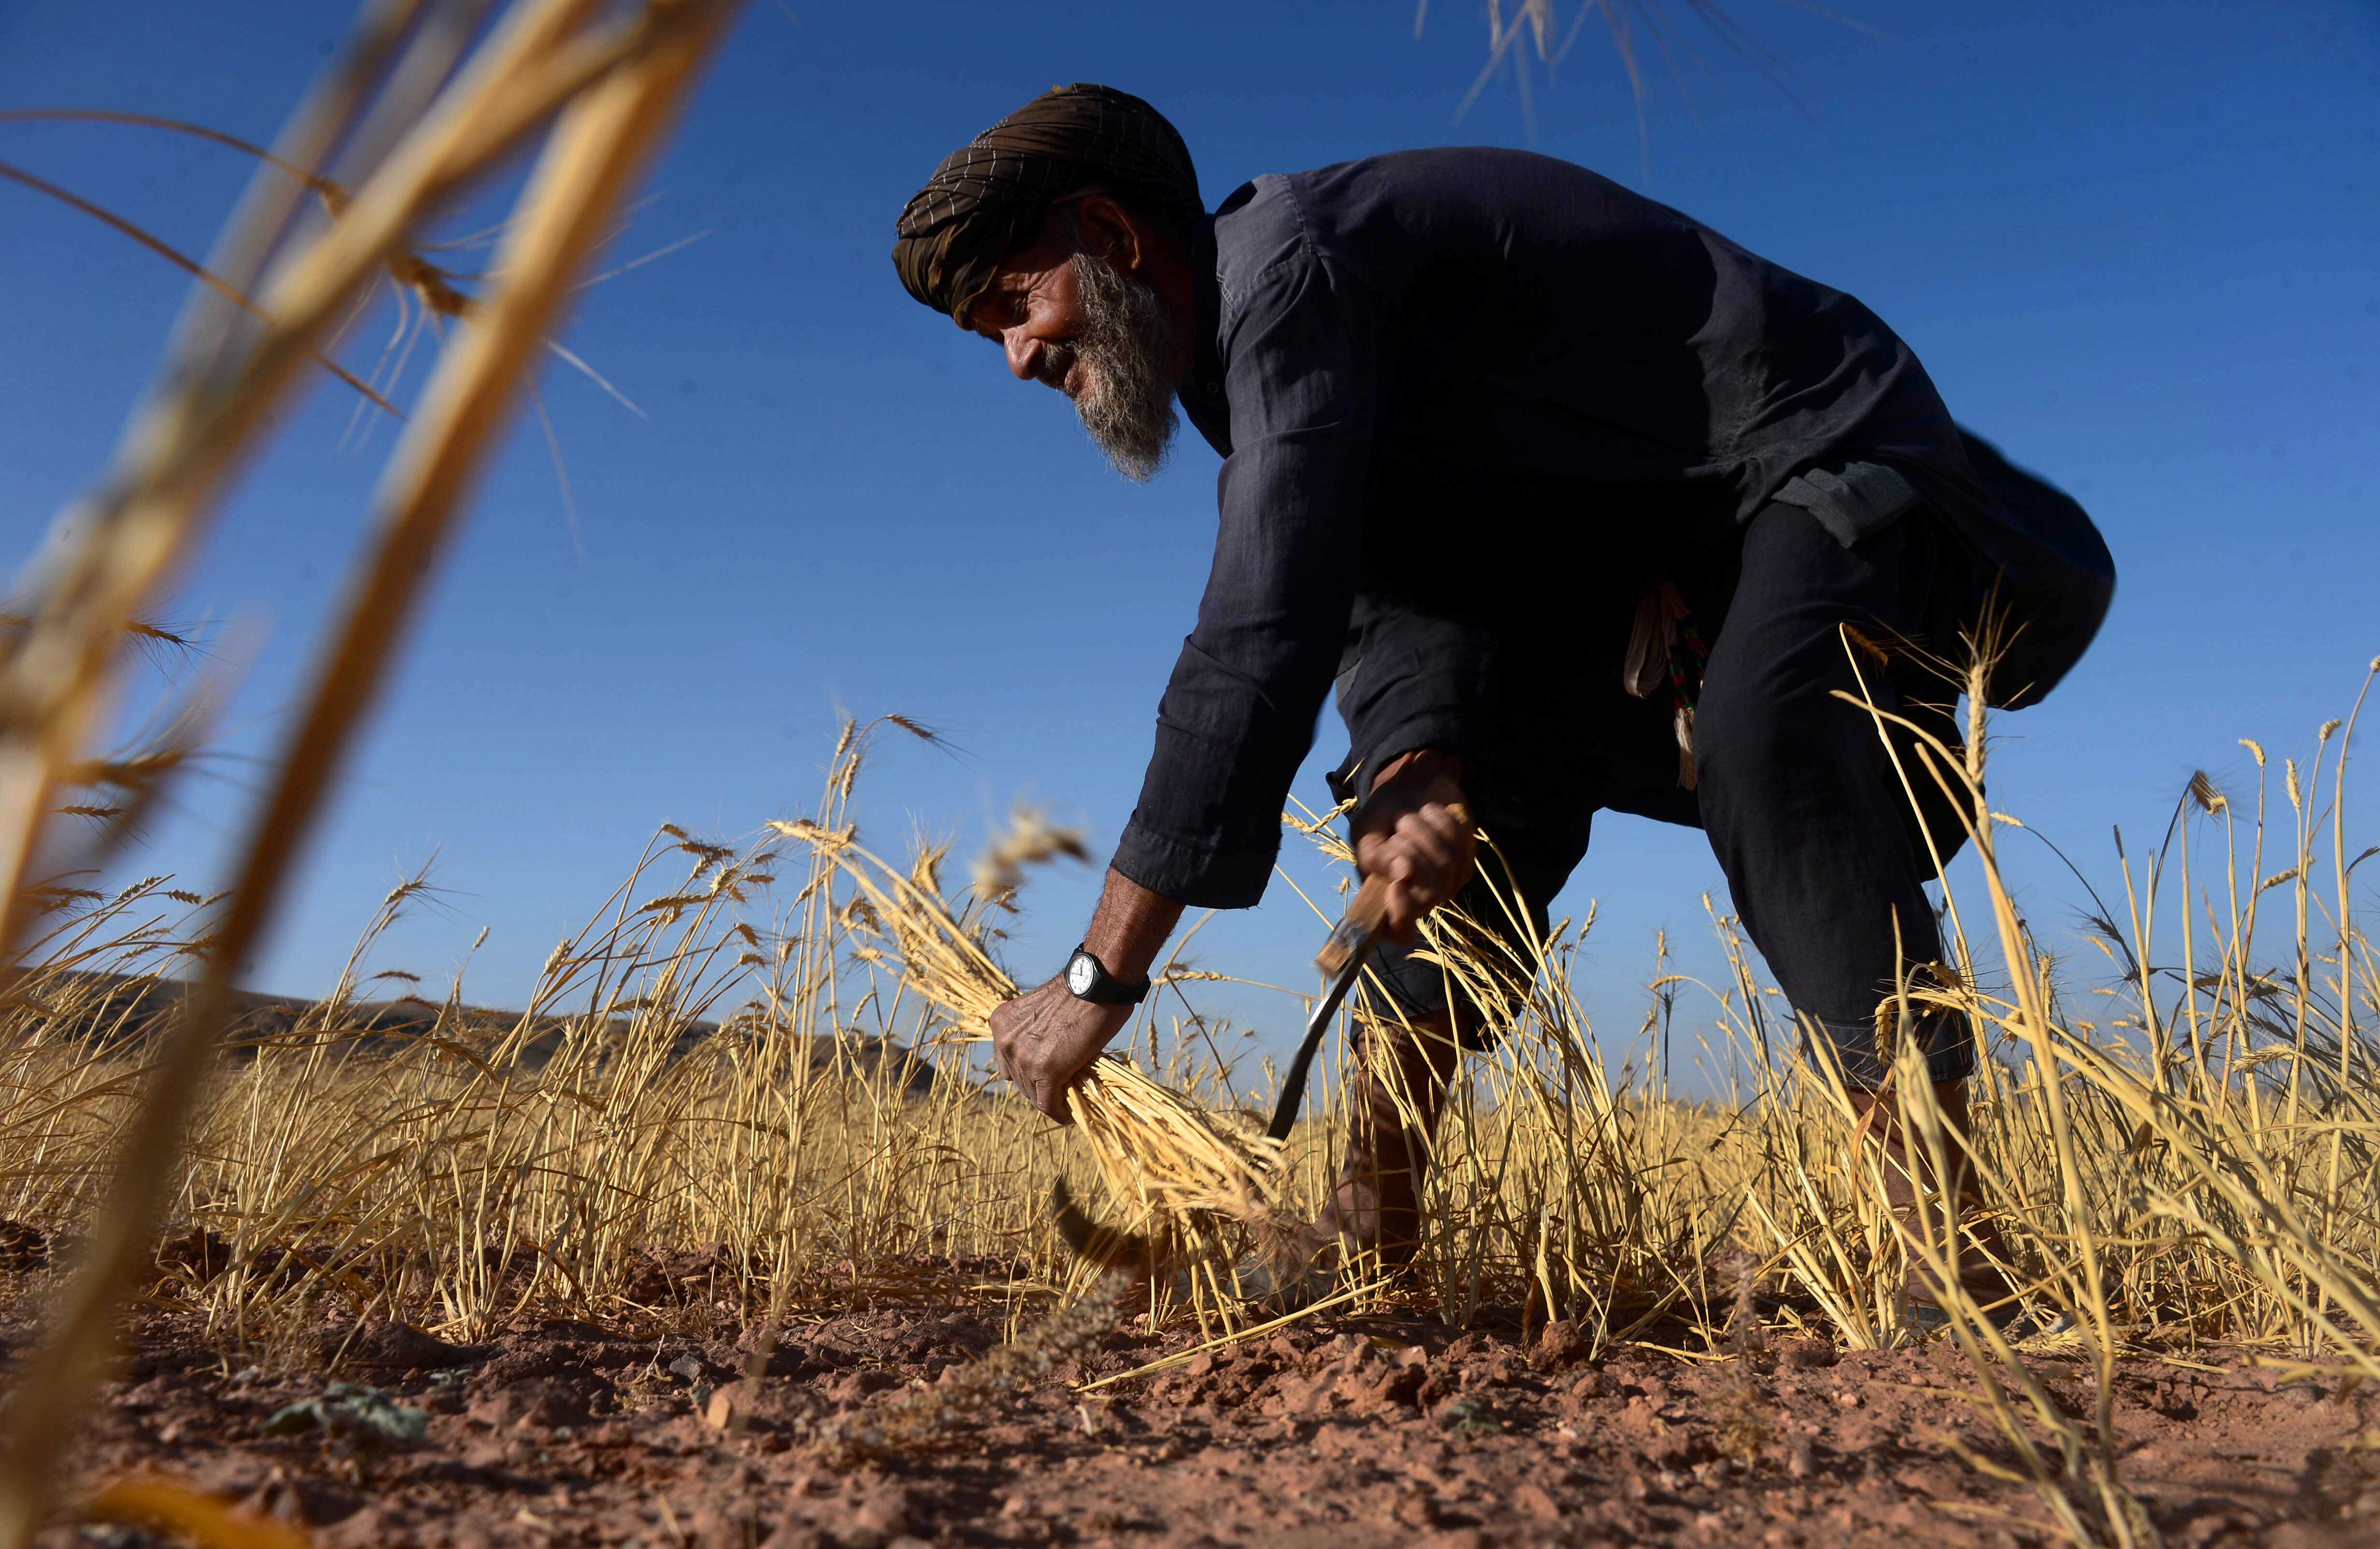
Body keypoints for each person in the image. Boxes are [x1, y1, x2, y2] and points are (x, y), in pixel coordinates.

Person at [891, 84, 2113, 1313]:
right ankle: (1368, 1233)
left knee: (1767, 740)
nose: (1019, 357)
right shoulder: (1235, 364)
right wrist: (1412, 762)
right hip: (1627, 556)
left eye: (1016, 305)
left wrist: (1098, 976)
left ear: (1110, 233)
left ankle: (1952, 1246)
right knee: (1459, 824)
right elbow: (1395, 577)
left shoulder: (1289, 275)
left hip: (1808, 452)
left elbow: (1263, 628)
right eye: (990, 332)